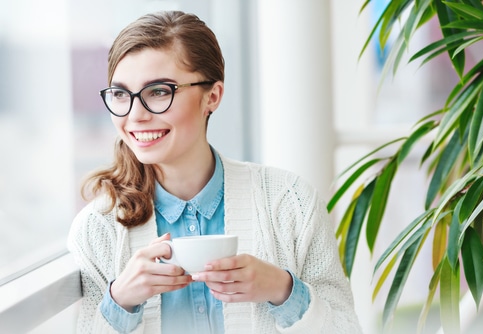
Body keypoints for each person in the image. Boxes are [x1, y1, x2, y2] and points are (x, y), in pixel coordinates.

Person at [67, 10, 362, 334]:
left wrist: (283, 290)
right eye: (121, 94)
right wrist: (120, 302)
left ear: (213, 96)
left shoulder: (291, 202)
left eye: (160, 91)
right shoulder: (97, 229)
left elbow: (346, 327)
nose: (135, 115)